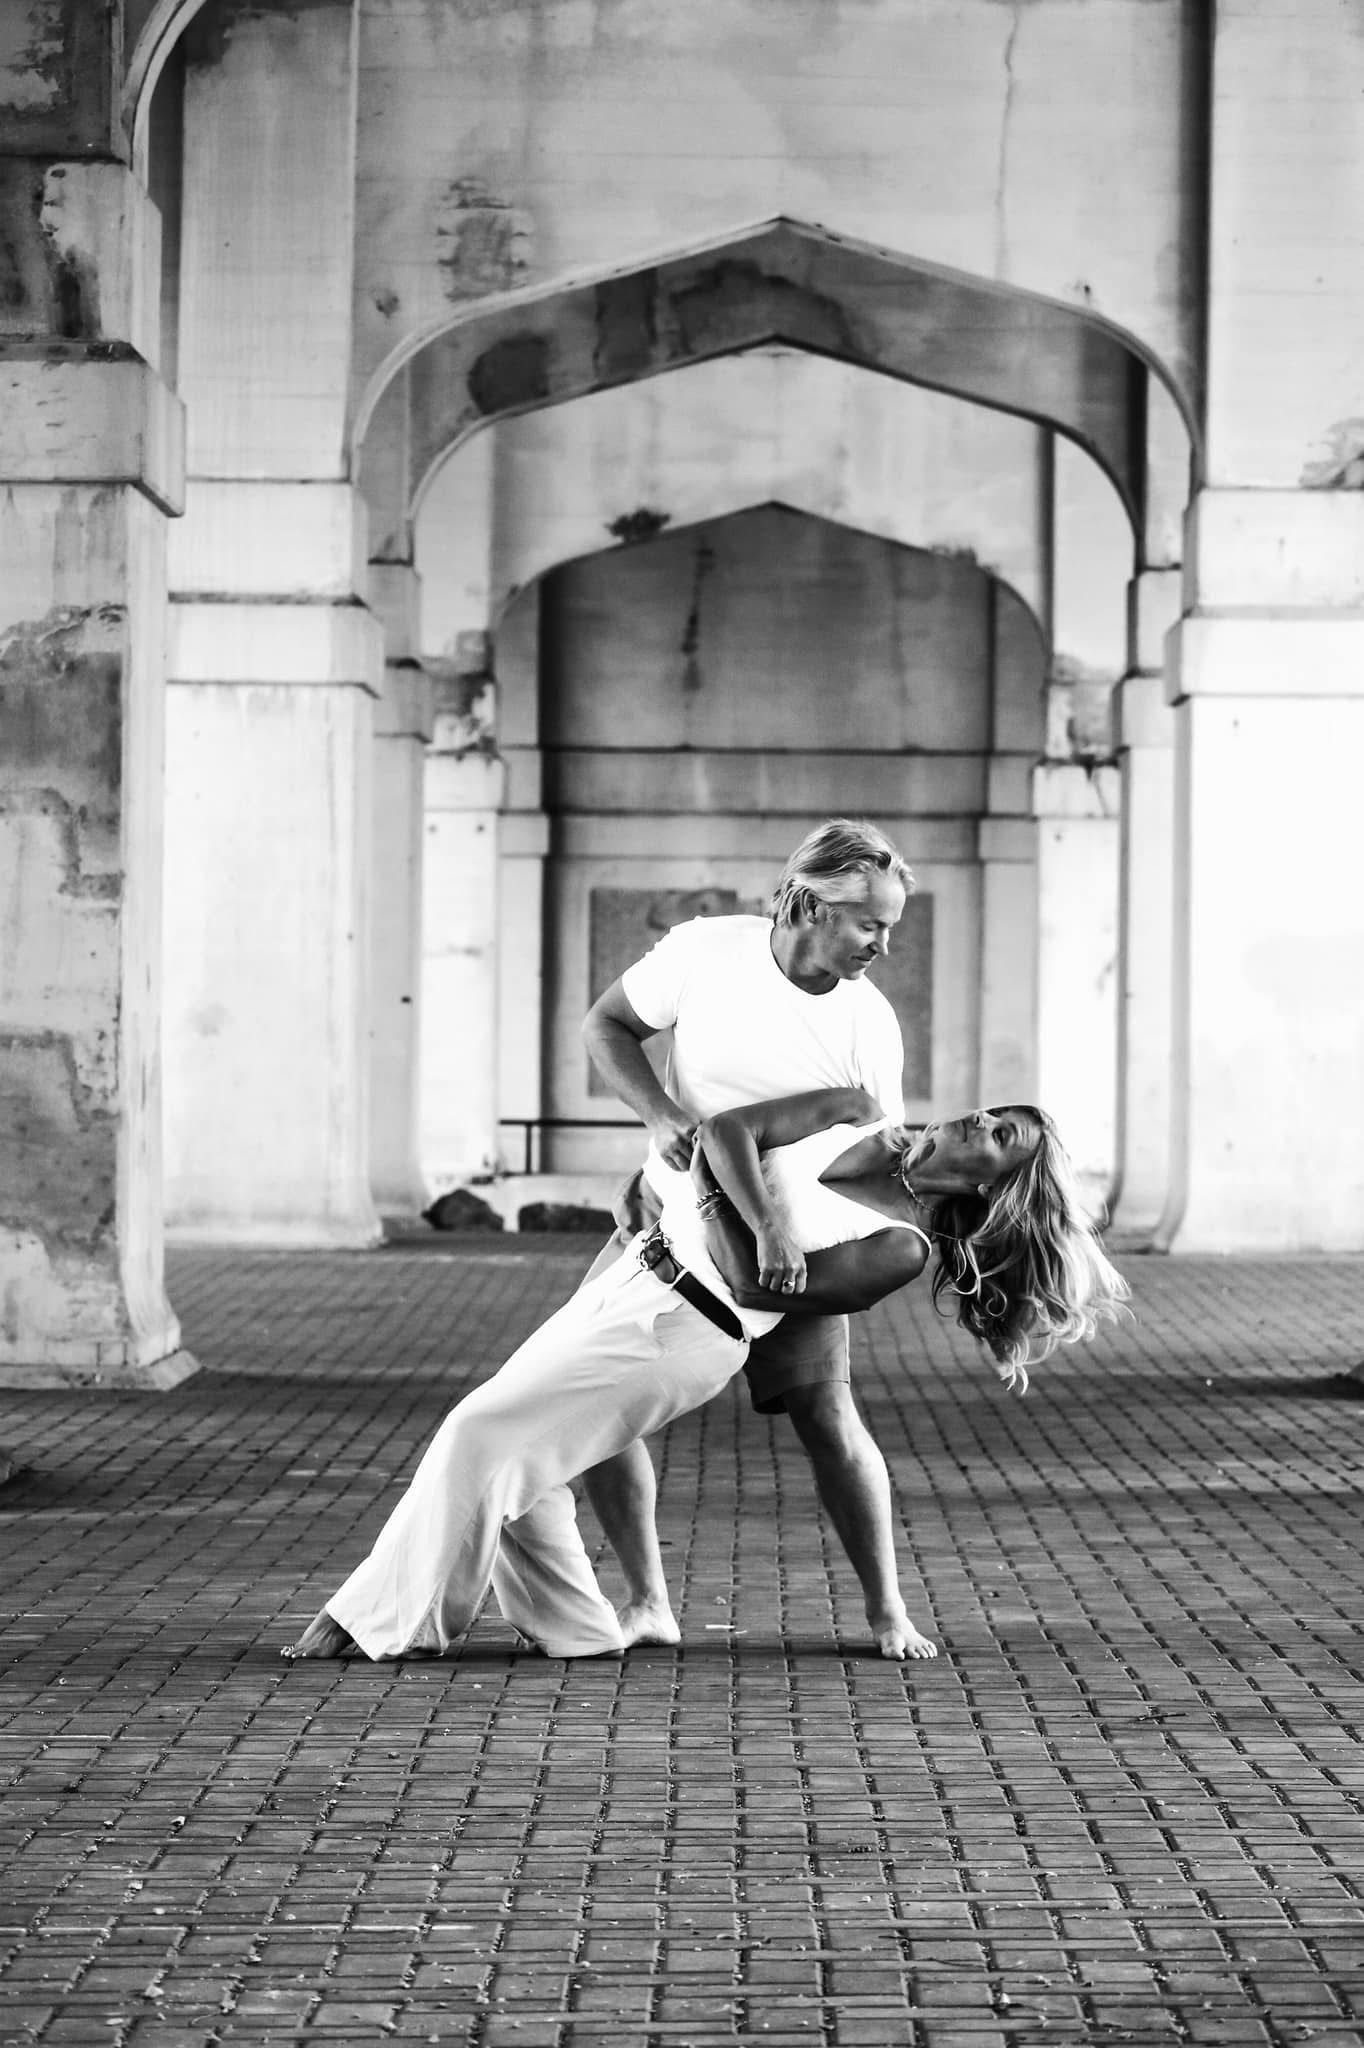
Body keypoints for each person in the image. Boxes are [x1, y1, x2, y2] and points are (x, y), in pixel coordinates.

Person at [284, 1088, 1128, 1665]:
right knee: (531, 1460)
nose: (982, 1118)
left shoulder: (901, 1245)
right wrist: (756, 1213)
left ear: (996, 1183)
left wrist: (723, 1193)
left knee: (479, 1430)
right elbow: (724, 1129)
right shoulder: (853, 1111)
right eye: (995, 1110)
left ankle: (383, 1622)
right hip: (633, 1277)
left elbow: (757, 1285)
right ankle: (574, 1625)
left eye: (1003, 1135)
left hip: (685, 1332)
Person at [580, 818, 917, 1657]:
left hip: (788, 1249)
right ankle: (648, 1602)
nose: (882, 944)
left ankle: (888, 1613)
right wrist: (657, 1121)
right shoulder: (705, 953)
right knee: (593, 1403)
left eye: (890, 926)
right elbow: (608, 1026)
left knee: (828, 1416)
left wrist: (827, 1252)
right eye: (870, 923)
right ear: (809, 903)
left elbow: (877, 1158)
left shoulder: (866, 1024)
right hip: (663, 1220)